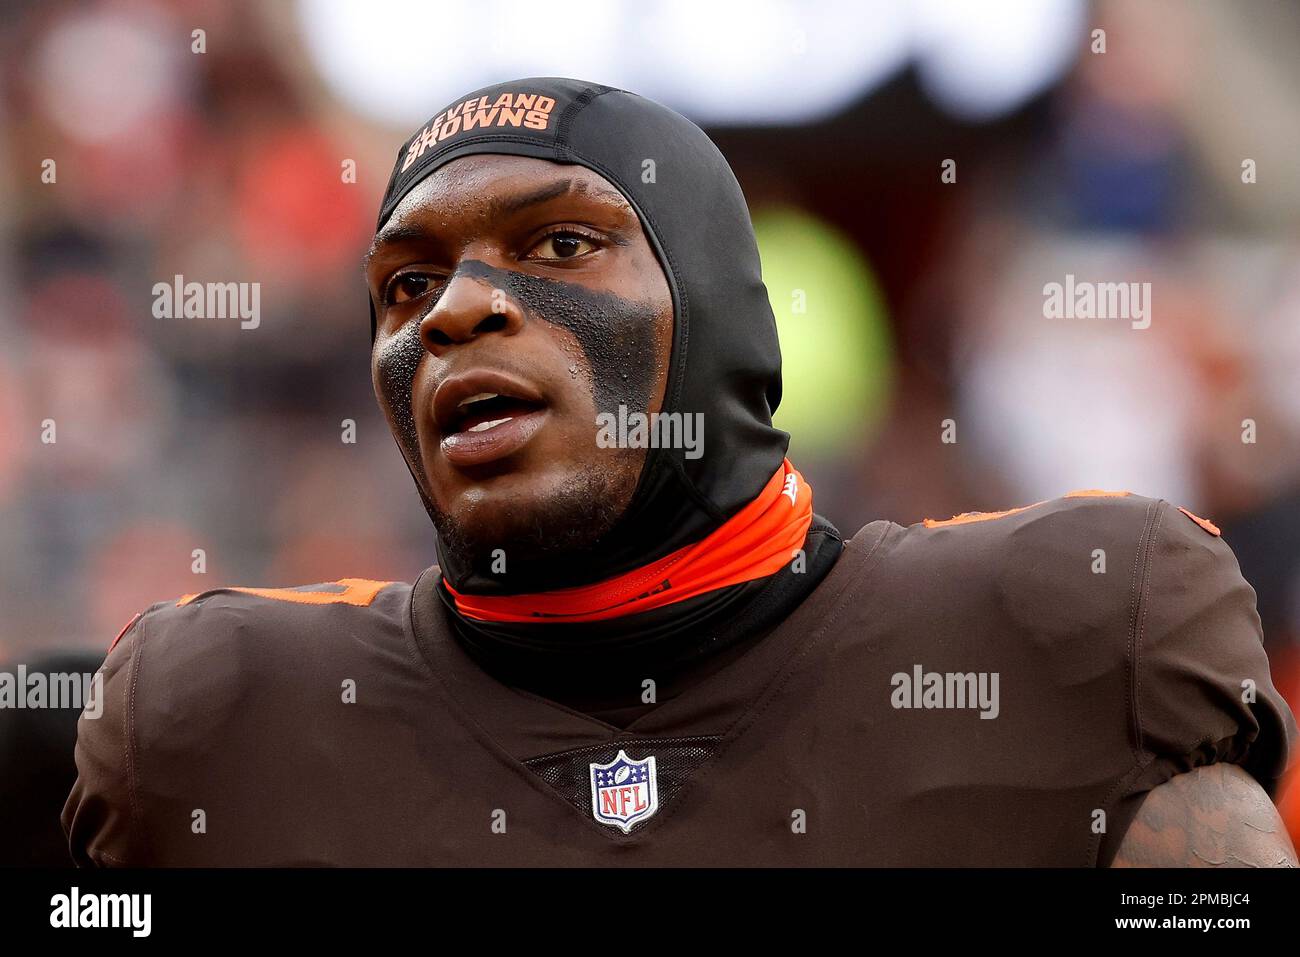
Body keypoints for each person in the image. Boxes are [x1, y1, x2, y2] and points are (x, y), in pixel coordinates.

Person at [63, 77, 1297, 866]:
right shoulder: (215, 717)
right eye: (407, 283)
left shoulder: (1072, 629)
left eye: (558, 241)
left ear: (716, 314)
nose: (456, 312)